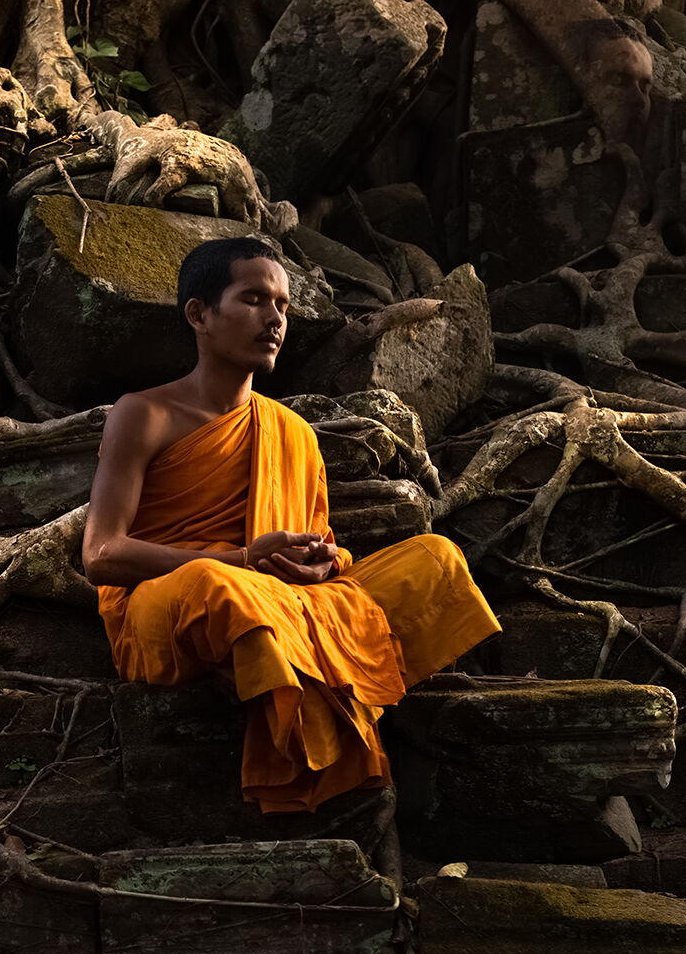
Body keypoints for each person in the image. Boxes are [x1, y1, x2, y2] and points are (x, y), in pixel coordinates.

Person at [81, 236, 499, 821]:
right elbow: (102, 555)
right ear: (199, 314)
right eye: (253, 299)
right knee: (219, 587)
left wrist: (320, 563)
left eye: (281, 306)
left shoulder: (293, 431)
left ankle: (291, 663)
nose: (274, 319)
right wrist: (245, 560)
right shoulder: (145, 413)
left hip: (274, 594)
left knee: (436, 559)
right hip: (170, 602)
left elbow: (316, 546)